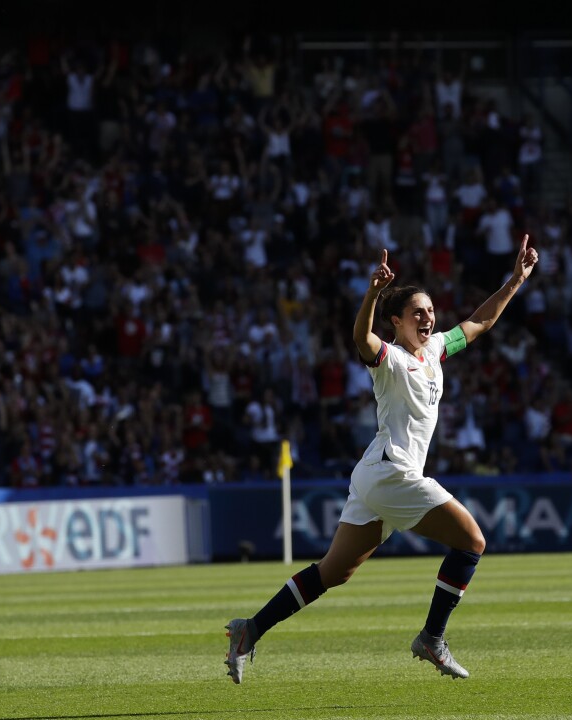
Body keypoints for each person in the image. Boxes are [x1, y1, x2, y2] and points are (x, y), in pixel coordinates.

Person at [224, 236, 538, 684]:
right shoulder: (389, 359)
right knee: (472, 542)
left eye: (430, 310)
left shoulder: (435, 351)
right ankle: (432, 637)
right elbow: (361, 338)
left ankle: (249, 629)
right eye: (418, 312)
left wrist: (515, 281)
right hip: (394, 472)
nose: (428, 317)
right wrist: (371, 293)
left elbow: (480, 322)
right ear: (398, 321)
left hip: (377, 471)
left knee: (334, 572)